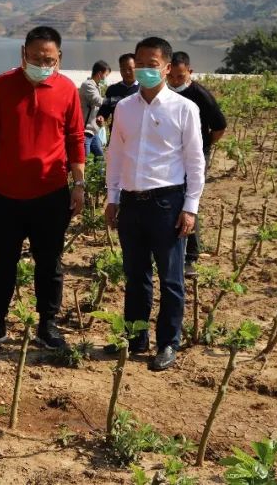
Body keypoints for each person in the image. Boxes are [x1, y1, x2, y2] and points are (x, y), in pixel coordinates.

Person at [0, 26, 85, 350]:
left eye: (49, 59)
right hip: (4, 194)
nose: (42, 64)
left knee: (49, 263)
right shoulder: (2, 86)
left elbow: (76, 139)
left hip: (50, 194)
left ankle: (47, 325)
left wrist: (78, 184)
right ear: (23, 54)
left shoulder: (67, 90)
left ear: (59, 57)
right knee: (1, 263)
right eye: (35, 58)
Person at [105, 37, 205, 372]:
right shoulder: (124, 108)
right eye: (141, 63)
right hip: (131, 202)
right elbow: (116, 155)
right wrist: (112, 197)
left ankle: (167, 342)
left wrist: (190, 207)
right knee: (136, 275)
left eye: (153, 64)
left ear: (166, 67)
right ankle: (135, 337)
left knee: (171, 278)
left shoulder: (184, 108)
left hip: (168, 202)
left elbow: (195, 161)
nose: (146, 70)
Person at [167, 51, 228, 276]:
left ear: (190, 72)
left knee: (188, 200)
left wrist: (203, 147)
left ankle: (190, 257)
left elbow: (219, 126)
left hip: (195, 154)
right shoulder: (163, 93)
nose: (175, 81)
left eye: (180, 77)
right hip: (172, 155)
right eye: (171, 77)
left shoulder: (200, 95)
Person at [97, 53, 139, 125]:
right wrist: (101, 118)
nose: (127, 72)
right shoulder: (112, 90)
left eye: (130, 69)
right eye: (123, 69)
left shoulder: (144, 89)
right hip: (117, 131)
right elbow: (104, 111)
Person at [79, 61, 110, 158]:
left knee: (100, 158)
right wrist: (113, 101)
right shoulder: (88, 85)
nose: (106, 78)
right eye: (106, 75)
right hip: (85, 131)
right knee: (85, 159)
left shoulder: (97, 86)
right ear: (100, 74)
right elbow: (98, 101)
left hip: (93, 131)